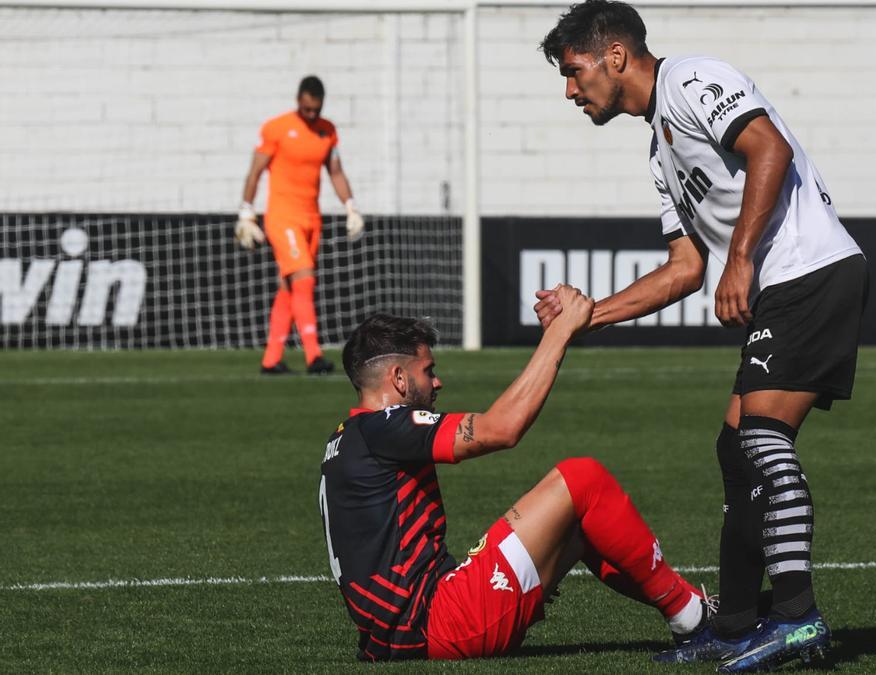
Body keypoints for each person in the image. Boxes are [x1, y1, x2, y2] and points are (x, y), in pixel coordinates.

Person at [537, 1, 868, 670]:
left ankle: (800, 619)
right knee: (735, 447)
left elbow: (767, 144)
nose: (570, 91)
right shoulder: (659, 148)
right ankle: (739, 623)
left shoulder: (690, 80)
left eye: (574, 72)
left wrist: (741, 255)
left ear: (617, 58)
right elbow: (686, 270)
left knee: (763, 437)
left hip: (811, 269)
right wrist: (587, 315)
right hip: (787, 281)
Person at [318, 287, 710, 662]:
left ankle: (697, 607)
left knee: (577, 527)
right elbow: (501, 429)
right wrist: (560, 333)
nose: (438, 382)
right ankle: (693, 618)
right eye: (428, 370)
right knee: (582, 478)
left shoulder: (345, 440)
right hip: (437, 623)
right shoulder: (384, 426)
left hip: (398, 635)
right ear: (399, 379)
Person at [235, 75, 364, 376]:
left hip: (311, 218)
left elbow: (336, 171)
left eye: (315, 110)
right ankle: (314, 356)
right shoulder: (276, 128)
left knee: (288, 288)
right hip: (282, 216)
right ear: (298, 101)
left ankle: (271, 360)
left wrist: (351, 207)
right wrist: (245, 212)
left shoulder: (327, 131)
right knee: (304, 280)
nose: (310, 115)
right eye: (306, 109)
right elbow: (255, 171)